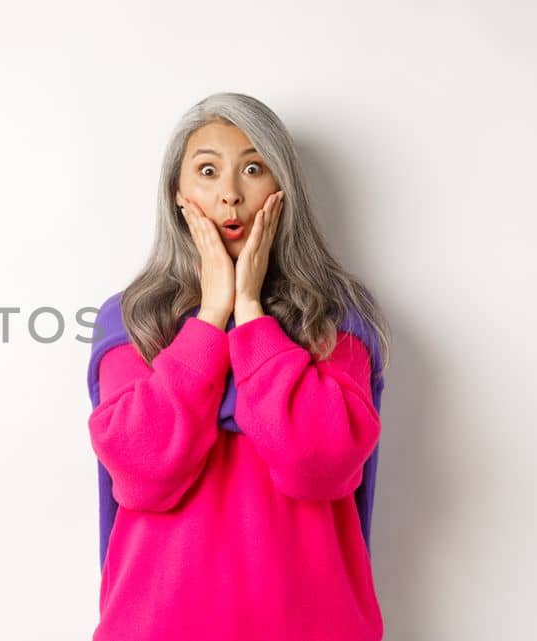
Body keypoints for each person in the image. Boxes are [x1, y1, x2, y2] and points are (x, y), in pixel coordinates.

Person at [87, 92, 393, 641]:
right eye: (208, 170)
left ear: (283, 190)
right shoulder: (133, 319)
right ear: (178, 194)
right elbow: (145, 473)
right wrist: (210, 317)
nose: (230, 194)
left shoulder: (337, 318)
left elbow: (318, 466)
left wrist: (251, 316)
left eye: (253, 168)